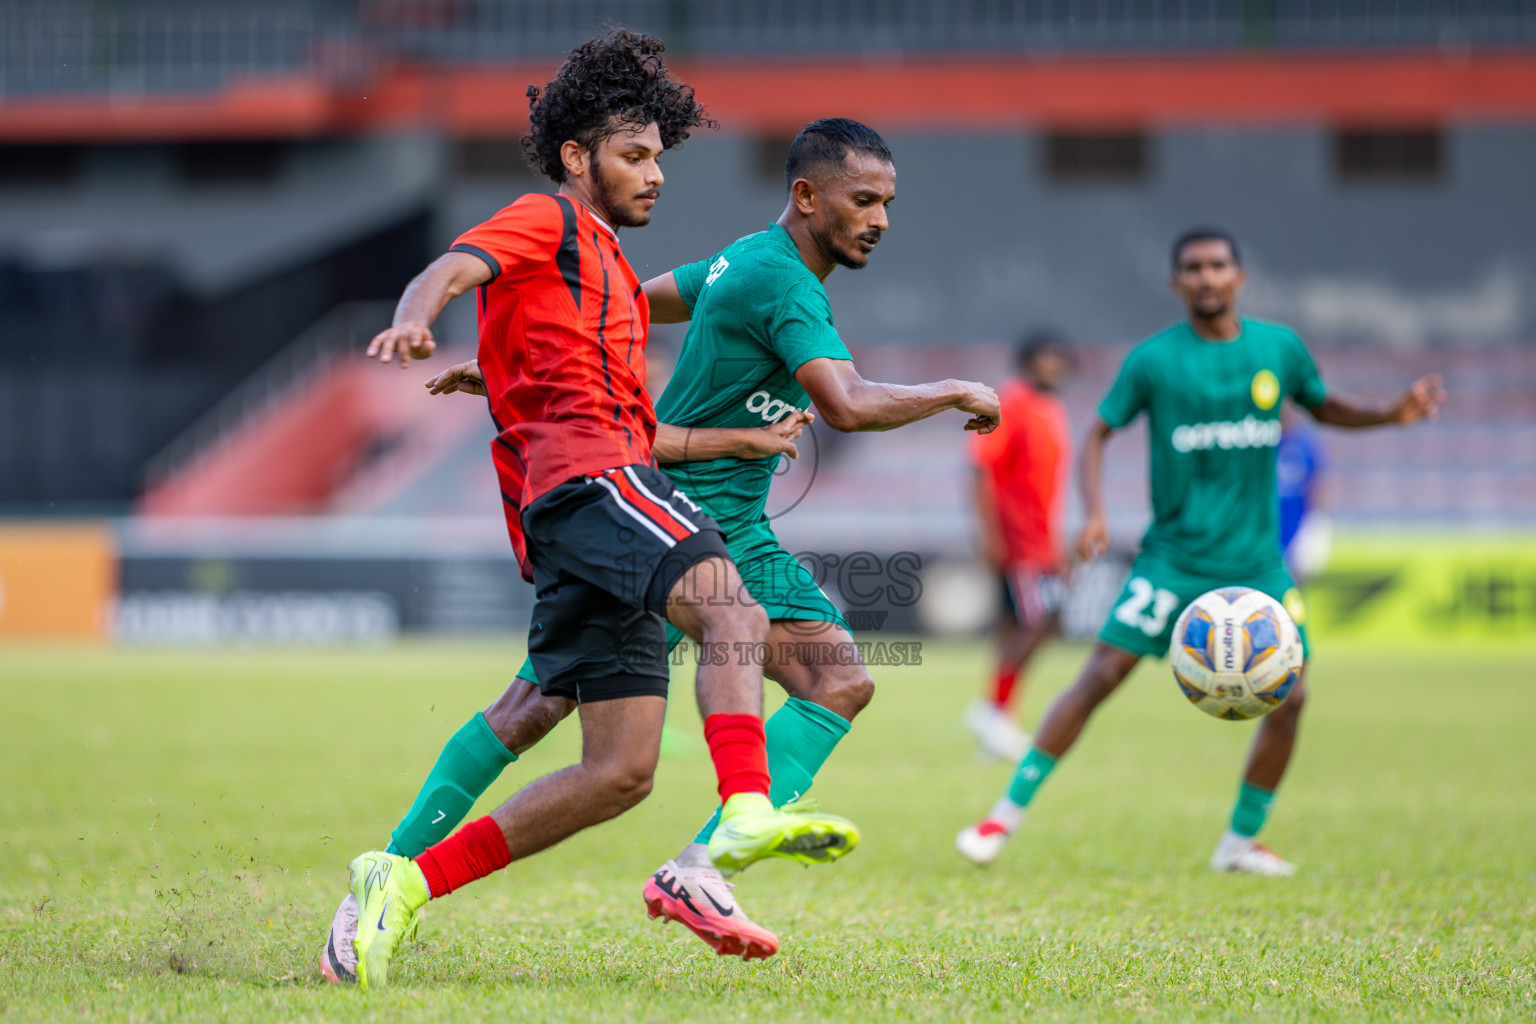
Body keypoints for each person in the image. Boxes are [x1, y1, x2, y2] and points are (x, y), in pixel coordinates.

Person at [321, 116, 1001, 979]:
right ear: (806, 197)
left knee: (573, 738)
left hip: (655, 497)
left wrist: (512, 364)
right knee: (823, 672)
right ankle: (711, 856)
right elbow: (849, 404)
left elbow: (617, 308)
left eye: (888, 204)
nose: (880, 219)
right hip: (676, 511)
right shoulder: (783, 286)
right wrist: (960, 390)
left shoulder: (735, 261)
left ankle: (391, 880)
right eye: (863, 201)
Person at [955, 227, 1445, 875]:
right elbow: (1099, 434)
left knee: (1292, 697)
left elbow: (1325, 410)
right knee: (1099, 675)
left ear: (1239, 277)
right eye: (1193, 268)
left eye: (1218, 266)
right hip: (1172, 560)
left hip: (1257, 565)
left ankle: (1241, 840)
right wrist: (1095, 514)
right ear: (1176, 282)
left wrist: (1389, 414)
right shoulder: (1154, 361)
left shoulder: (1279, 350)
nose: (1207, 277)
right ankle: (1000, 818)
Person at [963, 330, 1074, 761]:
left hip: (1042, 542)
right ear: (1027, 360)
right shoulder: (1012, 403)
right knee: (1042, 620)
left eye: (1058, 358)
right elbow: (979, 468)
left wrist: (1058, 545)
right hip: (1018, 542)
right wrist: (989, 536)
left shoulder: (1051, 408)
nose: (1053, 366)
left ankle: (997, 714)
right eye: (1045, 357)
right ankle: (994, 711)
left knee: (1019, 624)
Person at [1277, 403, 1331, 580]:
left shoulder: (1303, 445)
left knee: (1297, 580)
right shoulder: (1263, 446)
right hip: (1269, 526)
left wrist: (1315, 523)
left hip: (1296, 524)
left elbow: (1317, 486)